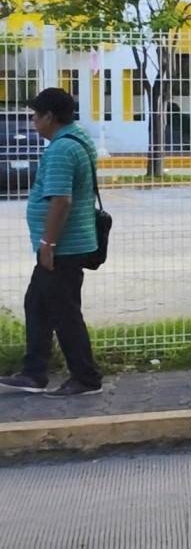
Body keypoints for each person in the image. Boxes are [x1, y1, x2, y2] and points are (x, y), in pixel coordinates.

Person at [0, 88, 104, 397]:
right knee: (38, 304)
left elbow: (61, 201)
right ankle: (34, 373)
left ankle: (86, 378)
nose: (32, 120)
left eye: (35, 115)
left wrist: (48, 244)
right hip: (68, 244)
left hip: (63, 247)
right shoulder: (77, 137)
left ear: (49, 117)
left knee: (64, 313)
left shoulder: (61, 150)